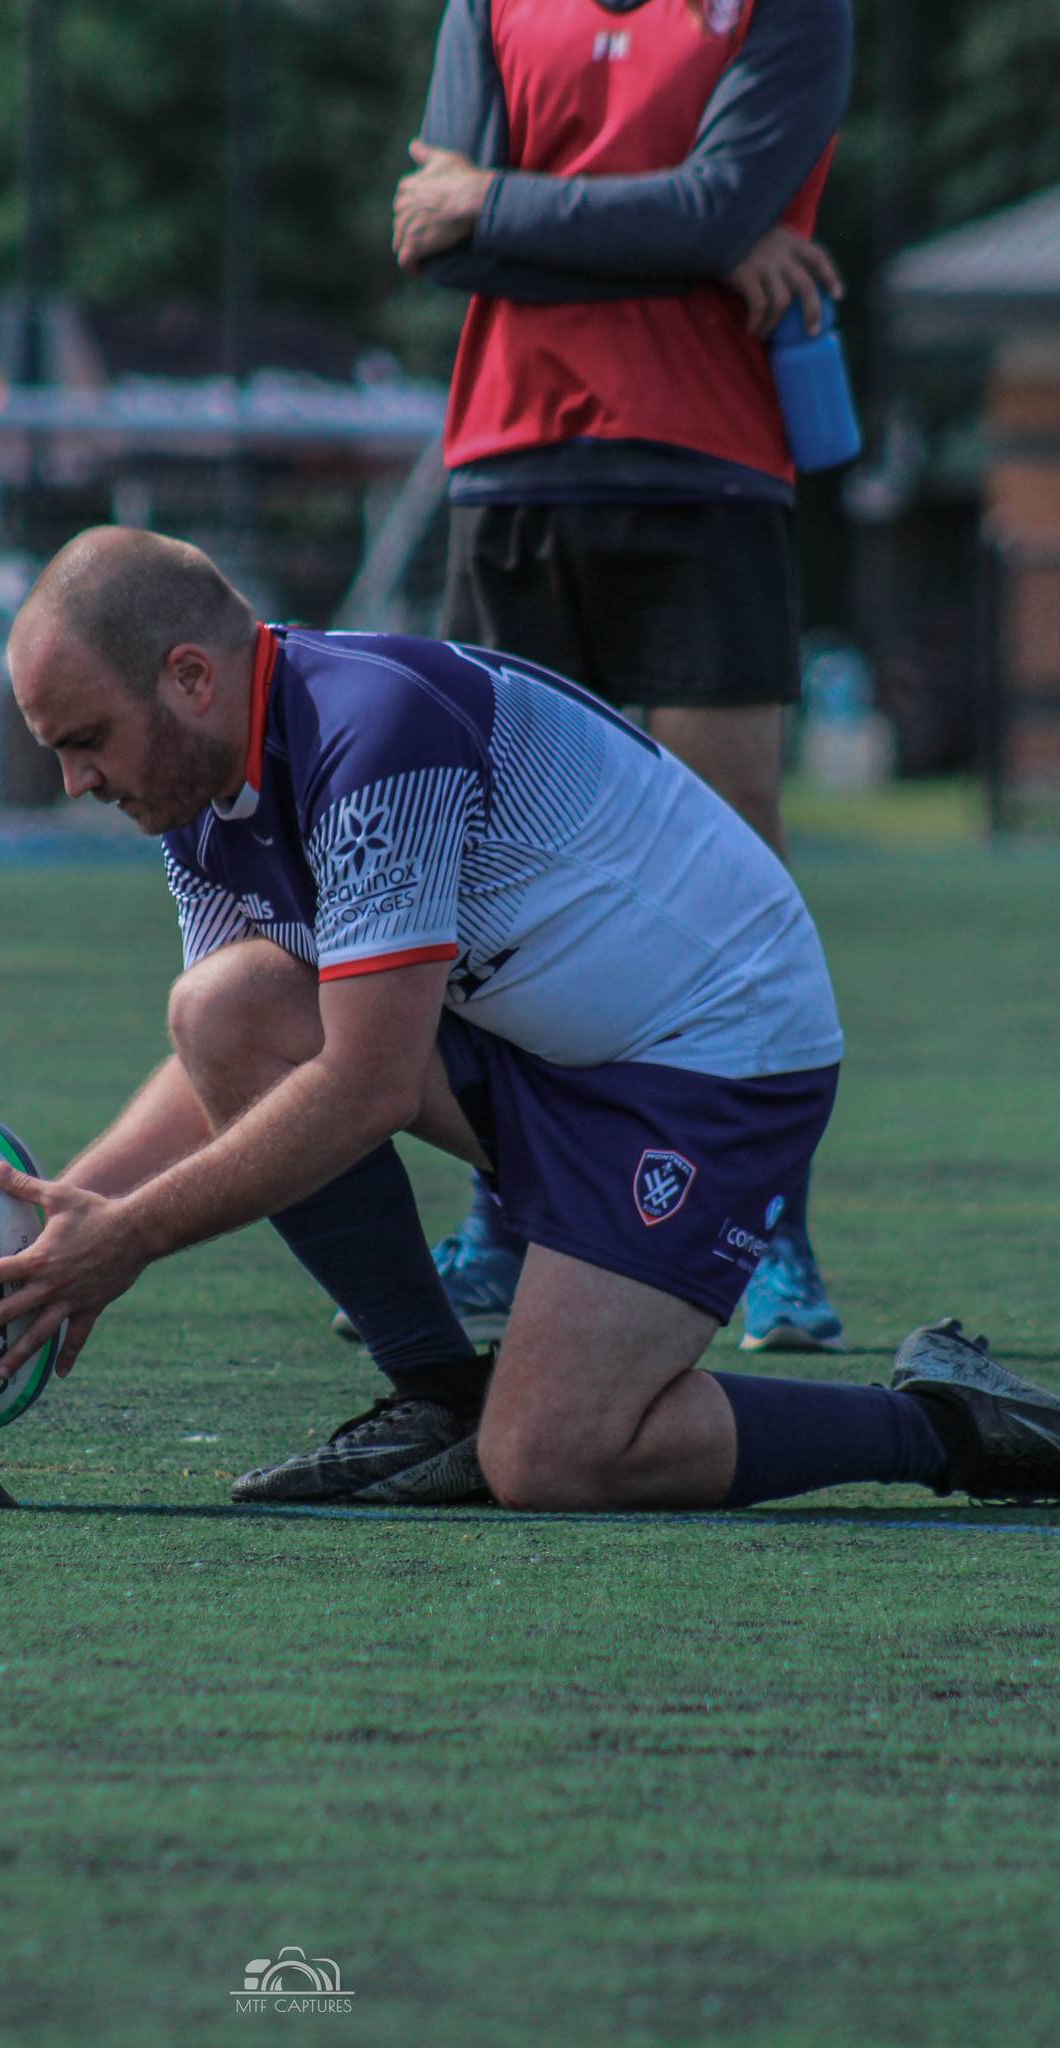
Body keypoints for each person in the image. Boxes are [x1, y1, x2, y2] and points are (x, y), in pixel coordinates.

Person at [0, 527, 1060, 1514]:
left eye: (84, 738)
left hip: (715, 1062)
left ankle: (948, 1422)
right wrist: (70, 1216)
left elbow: (363, 1084)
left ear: (188, 676)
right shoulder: (197, 778)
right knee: (224, 1006)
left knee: (554, 1457)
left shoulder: (371, 737)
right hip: (554, 1043)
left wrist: (126, 1239)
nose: (77, 778)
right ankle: (435, 1394)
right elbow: (236, 1049)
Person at [383, 0, 854, 1355]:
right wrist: (689, 238)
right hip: (511, 467)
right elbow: (432, 235)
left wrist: (521, 213)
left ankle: (766, 1232)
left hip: (711, 472)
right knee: (489, 864)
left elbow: (709, 211)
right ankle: (508, 1219)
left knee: (737, 870)